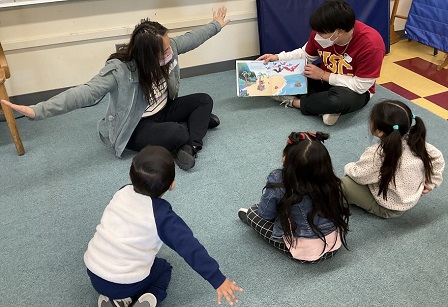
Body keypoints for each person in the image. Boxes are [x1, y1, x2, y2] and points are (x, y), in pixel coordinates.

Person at [1, 6, 231, 170]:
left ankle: (191, 145)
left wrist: (216, 25)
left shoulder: (170, 48)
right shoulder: (120, 71)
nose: (171, 52)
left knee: (204, 99)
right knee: (177, 131)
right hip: (136, 126)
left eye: (169, 46)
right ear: (147, 55)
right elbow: (84, 93)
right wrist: (38, 110)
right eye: (164, 51)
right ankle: (189, 129)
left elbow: (194, 37)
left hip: (164, 109)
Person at [84, 145, 243, 307]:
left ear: (129, 177)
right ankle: (151, 296)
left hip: (94, 272)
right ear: (172, 185)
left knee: (125, 270)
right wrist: (217, 279)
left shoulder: (121, 192)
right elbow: (190, 247)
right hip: (127, 282)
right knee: (163, 268)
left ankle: (116, 300)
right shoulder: (162, 216)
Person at [257, 0, 385, 126]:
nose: (316, 36)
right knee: (288, 75)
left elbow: (361, 86)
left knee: (338, 101)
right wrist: (278, 57)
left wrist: (323, 75)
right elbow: (305, 55)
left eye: (321, 33)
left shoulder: (371, 44)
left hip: (353, 89)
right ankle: (323, 109)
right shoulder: (323, 31)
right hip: (324, 79)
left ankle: (295, 102)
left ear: (339, 32)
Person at [238, 131, 350, 262]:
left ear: (285, 159)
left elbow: (266, 215)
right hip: (335, 245)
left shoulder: (279, 179)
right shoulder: (330, 179)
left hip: (305, 254)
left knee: (253, 212)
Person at [341, 100, 445, 218]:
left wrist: (348, 166)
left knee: (343, 183)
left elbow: (358, 175)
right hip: (407, 200)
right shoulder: (417, 143)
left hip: (388, 208)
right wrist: (431, 182)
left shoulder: (378, 154)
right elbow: (438, 158)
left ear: (379, 132)